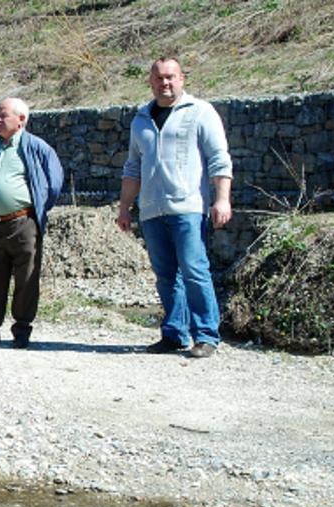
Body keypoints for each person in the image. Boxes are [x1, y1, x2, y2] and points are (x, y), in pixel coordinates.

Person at [117, 56, 233, 359]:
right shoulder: (141, 119)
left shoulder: (200, 112)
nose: (164, 83)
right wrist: (125, 207)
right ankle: (173, 334)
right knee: (166, 275)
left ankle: (206, 335)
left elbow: (219, 158)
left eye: (170, 77)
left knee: (195, 270)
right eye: (158, 78)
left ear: (182, 78)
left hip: (188, 208)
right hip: (152, 210)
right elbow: (132, 167)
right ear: (150, 81)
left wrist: (222, 198)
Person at [0, 98, 64, 349]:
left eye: (4, 116)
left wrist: (36, 209)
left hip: (23, 224)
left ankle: (21, 332)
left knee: (26, 279)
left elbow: (55, 183)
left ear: (21, 120)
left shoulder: (37, 147)